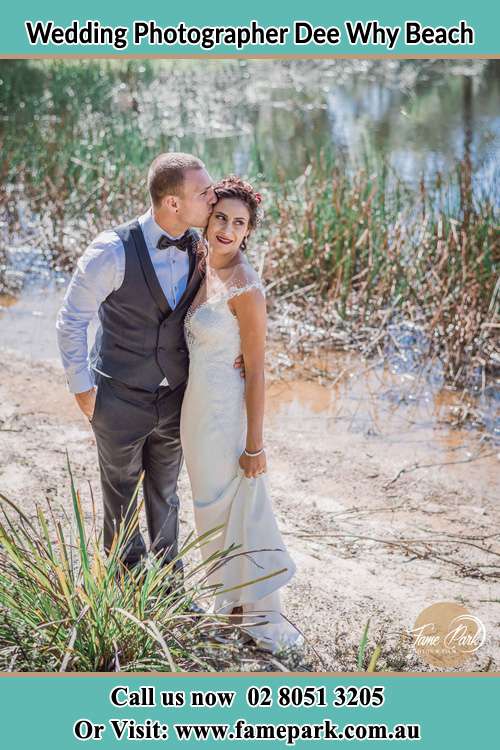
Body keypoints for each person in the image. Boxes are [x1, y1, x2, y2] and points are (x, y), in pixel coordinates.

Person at [56, 152, 243, 574]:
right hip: (118, 397)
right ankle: (126, 577)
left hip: (175, 398)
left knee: (166, 491)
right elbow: (71, 319)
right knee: (120, 491)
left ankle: (167, 579)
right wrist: (82, 390)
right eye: (204, 192)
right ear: (173, 203)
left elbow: (220, 315)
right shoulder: (111, 251)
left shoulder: (202, 247)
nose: (213, 198)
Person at [180, 176, 300, 652]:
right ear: (208, 219)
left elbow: (256, 372)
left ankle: (249, 612)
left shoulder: (247, 288)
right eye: (222, 218)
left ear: (249, 231)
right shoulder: (199, 260)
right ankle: (225, 604)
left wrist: (256, 444)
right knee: (207, 510)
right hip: (195, 413)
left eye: (239, 223)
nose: (228, 229)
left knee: (235, 508)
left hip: (226, 417)